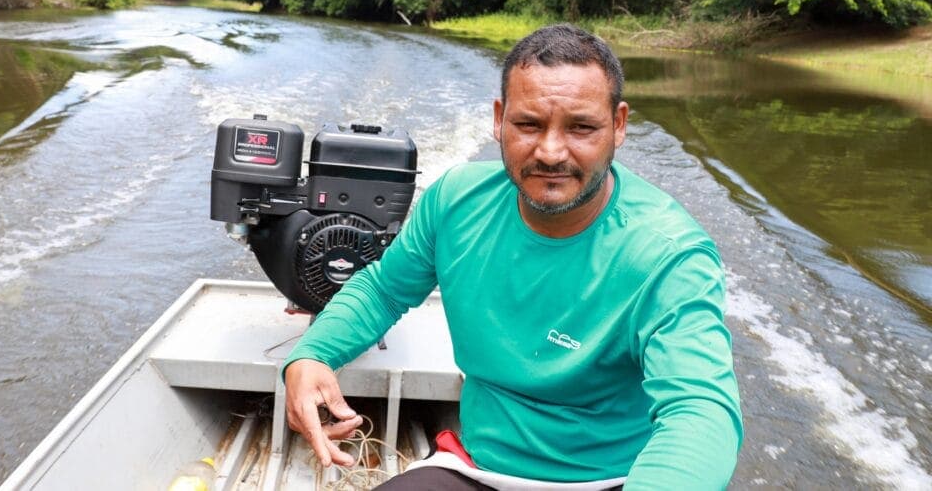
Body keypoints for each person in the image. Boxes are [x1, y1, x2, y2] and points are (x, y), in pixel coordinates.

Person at [282, 24, 743, 489]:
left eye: (581, 127)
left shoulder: (669, 255)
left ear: (618, 125)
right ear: (499, 119)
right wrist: (313, 355)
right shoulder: (456, 201)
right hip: (479, 469)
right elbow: (383, 290)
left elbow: (700, 410)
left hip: (612, 480)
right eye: (529, 124)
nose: (550, 151)